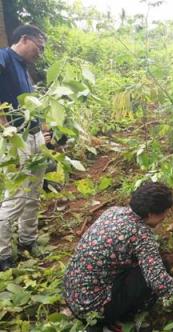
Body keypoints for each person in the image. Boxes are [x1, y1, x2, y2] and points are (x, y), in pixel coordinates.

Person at [63, 181, 173, 331]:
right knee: (161, 268)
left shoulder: (114, 211)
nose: (165, 216)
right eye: (164, 212)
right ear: (150, 214)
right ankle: (120, 319)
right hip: (92, 310)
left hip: (72, 294)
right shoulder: (141, 235)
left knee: (147, 265)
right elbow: (158, 280)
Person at [0, 25, 50, 271]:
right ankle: (3, 254)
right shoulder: (4, 57)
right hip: (15, 139)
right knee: (16, 197)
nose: (40, 53)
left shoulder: (24, 69)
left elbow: (33, 104)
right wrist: (4, 125)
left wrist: (43, 128)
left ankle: (28, 240)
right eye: (39, 47)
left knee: (33, 193)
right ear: (24, 39)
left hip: (34, 136)